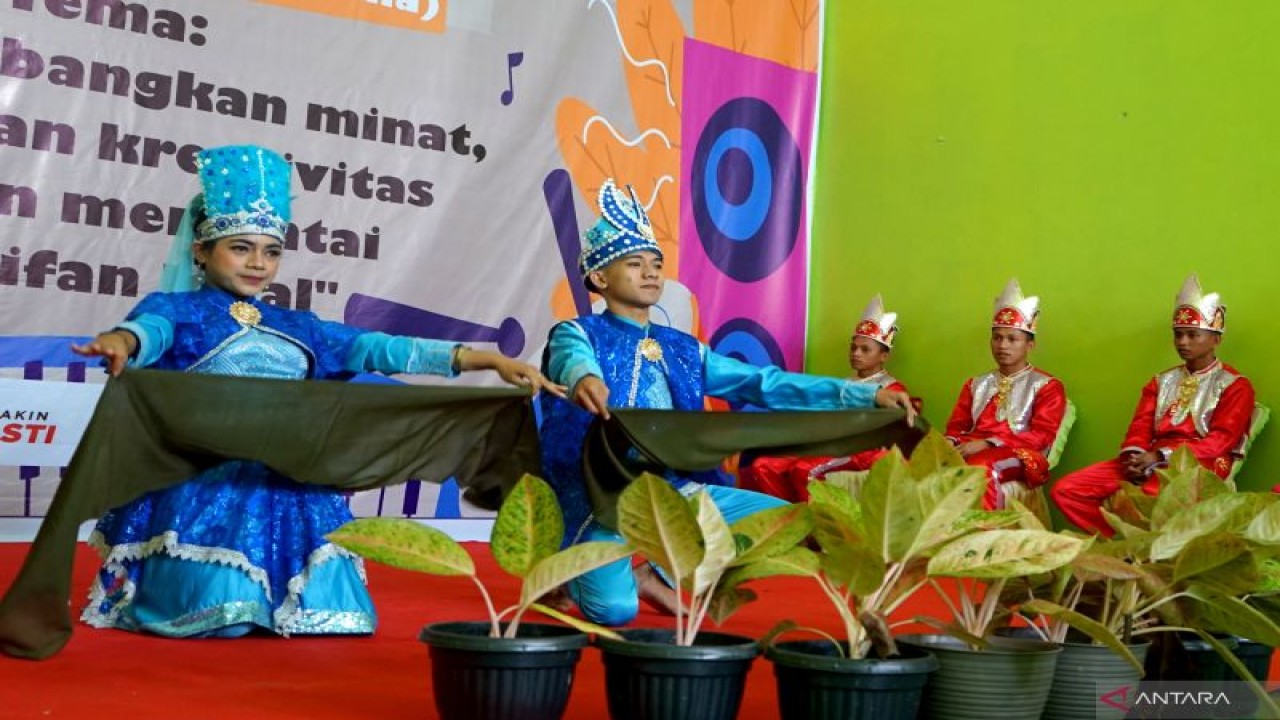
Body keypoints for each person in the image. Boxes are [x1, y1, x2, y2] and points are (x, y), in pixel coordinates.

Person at [72, 145, 562, 638]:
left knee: (335, 618)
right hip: (206, 477)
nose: (258, 263)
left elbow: (381, 349)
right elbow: (148, 332)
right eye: (240, 248)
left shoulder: (298, 325)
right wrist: (121, 341)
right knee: (225, 618)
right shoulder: (178, 310)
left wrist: (486, 359)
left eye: (271, 251)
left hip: (291, 472)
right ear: (200, 250)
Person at [537, 179, 915, 626]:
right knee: (615, 612)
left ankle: (652, 569)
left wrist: (865, 394)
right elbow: (570, 360)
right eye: (635, 264)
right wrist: (584, 377)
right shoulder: (578, 333)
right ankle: (574, 570)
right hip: (605, 497)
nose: (651, 272)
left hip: (674, 492)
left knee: (792, 524)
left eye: (656, 264)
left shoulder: (682, 348)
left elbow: (764, 383)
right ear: (600, 278)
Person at [1052, 274, 1255, 536]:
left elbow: (1219, 443)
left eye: (1193, 335)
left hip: (1200, 463)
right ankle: (1122, 543)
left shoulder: (1235, 385)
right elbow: (1140, 426)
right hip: (1148, 457)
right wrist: (1133, 457)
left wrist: (1161, 457)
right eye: (1178, 335)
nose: (1183, 342)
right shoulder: (1161, 381)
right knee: (1067, 490)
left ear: (1216, 339)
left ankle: (1148, 552)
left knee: (1147, 496)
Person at [738, 294, 912, 501]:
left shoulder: (893, 389)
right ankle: (788, 520)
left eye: (865, 349)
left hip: (862, 450)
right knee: (763, 466)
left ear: (884, 356)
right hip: (830, 444)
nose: (856, 353)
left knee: (803, 471)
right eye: (853, 347)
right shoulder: (845, 385)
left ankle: (816, 528)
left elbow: (892, 436)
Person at [944, 279, 1068, 510]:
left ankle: (989, 538)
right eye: (997, 338)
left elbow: (1042, 435)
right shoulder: (975, 383)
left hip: (1023, 454)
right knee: (925, 461)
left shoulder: (1047, 385)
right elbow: (956, 427)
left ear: (1029, 345)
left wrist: (988, 444)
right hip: (973, 446)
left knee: (981, 468)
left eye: (1012, 339)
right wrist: (948, 443)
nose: (1003, 345)